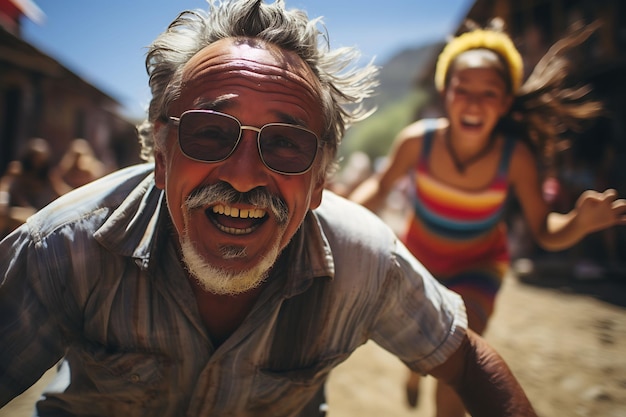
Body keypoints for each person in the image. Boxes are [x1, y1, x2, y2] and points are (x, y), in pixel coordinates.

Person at [0, 2, 538, 416]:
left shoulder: (363, 261)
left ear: (321, 180)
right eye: (210, 133)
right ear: (161, 158)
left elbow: (467, 360)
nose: (243, 175)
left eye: (285, 144)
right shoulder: (65, 247)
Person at [349, 18, 626, 417]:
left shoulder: (515, 159)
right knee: (422, 350)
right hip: (421, 261)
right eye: (464, 89)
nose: (474, 103)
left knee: (459, 351)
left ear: (506, 102)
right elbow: (379, 186)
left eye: (489, 93)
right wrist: (348, 212)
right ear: (446, 92)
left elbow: (545, 232)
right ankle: (413, 371)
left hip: (479, 267)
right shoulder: (417, 142)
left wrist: (578, 223)